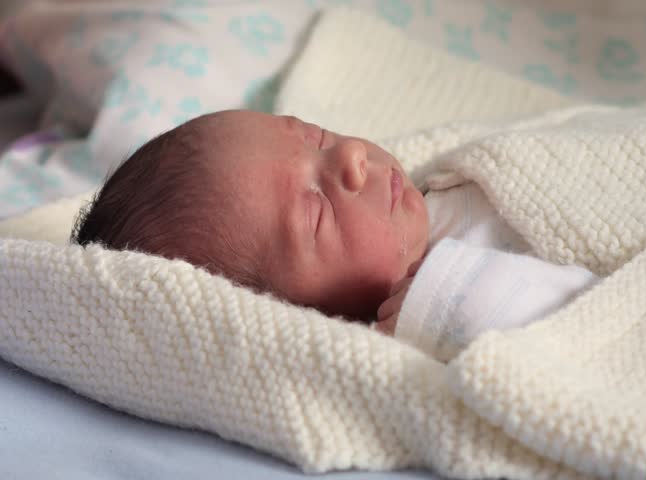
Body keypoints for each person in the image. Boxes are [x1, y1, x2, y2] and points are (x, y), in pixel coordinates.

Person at [72, 110, 597, 360]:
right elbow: (590, 331)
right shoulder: (416, 333)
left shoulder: (445, 186)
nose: (350, 158)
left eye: (316, 137)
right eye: (316, 212)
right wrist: (442, 301)